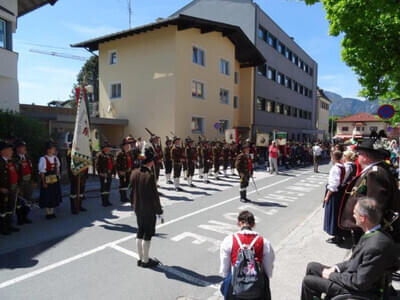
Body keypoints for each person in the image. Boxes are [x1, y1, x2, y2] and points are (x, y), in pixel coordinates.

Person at [301, 197, 398, 300]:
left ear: (363, 218)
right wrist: (336, 267)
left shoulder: (375, 246)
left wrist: (332, 276)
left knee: (308, 282)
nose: (353, 215)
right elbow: (354, 261)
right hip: (353, 276)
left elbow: (360, 282)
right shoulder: (373, 234)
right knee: (312, 267)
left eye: (355, 213)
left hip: (359, 290)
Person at [338, 139, 400, 243]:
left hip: (366, 229)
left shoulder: (375, 173)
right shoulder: (376, 169)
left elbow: (374, 207)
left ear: (365, 157)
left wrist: (368, 234)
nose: (357, 157)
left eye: (359, 154)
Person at [220, 210, 274, 300]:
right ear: (253, 224)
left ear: (239, 223)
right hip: (256, 285)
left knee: (227, 284)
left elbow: (224, 268)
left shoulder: (229, 240)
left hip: (236, 286)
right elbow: (268, 268)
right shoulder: (263, 241)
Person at [130, 146, 163, 268]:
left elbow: (131, 192)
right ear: (150, 161)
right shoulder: (149, 176)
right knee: (147, 234)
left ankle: (140, 258)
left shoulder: (134, 173)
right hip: (148, 209)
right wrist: (159, 211)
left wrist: (133, 205)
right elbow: (155, 197)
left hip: (138, 208)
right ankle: (145, 261)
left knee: (140, 231)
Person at [323, 150, 345, 244]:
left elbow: (334, 184)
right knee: (336, 214)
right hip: (339, 192)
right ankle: (338, 235)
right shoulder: (342, 166)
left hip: (334, 194)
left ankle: (337, 236)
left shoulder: (336, 168)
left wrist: (327, 196)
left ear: (333, 157)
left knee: (333, 214)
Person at [0, 141, 21, 234]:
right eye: (9, 150)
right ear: (3, 151)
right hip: (3, 189)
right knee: (2, 210)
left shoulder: (11, 161)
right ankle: (3, 228)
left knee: (10, 208)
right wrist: (0, 188)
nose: (12, 151)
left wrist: (17, 185)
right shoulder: (0, 162)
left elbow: (16, 173)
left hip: (12, 188)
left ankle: (9, 225)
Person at [38, 141, 62, 219]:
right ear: (48, 150)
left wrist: (58, 176)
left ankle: (52, 212)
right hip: (47, 180)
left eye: (54, 148)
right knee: (47, 196)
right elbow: (42, 172)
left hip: (54, 180)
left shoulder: (55, 158)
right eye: (52, 148)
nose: (54, 150)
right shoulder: (43, 159)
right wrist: (44, 182)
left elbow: (57, 168)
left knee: (53, 195)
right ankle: (48, 213)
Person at [13, 140, 34, 224]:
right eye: (22, 147)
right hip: (20, 182)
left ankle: (25, 216)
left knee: (28, 200)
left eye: (25, 147)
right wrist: (17, 185)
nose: (25, 149)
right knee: (20, 201)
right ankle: (19, 218)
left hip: (29, 181)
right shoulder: (15, 159)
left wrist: (34, 180)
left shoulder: (28, 157)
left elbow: (32, 169)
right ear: (18, 149)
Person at [66, 143, 88, 214]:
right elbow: (71, 161)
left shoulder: (82, 150)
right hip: (74, 176)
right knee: (74, 192)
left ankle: (79, 206)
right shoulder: (70, 152)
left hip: (82, 175)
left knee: (81, 192)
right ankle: (74, 208)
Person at [96, 141, 115, 207]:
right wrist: (100, 173)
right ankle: (104, 202)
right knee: (103, 188)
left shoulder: (111, 155)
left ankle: (107, 200)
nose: (109, 149)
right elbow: (97, 165)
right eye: (107, 147)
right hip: (103, 174)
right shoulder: (100, 155)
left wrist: (113, 173)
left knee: (108, 188)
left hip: (109, 174)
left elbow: (113, 164)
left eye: (109, 148)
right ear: (104, 148)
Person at [116, 138, 133, 203]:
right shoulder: (120, 154)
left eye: (128, 145)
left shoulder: (129, 153)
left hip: (128, 171)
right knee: (122, 185)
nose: (128, 146)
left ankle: (125, 197)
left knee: (126, 184)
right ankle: (122, 198)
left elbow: (131, 161)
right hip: (122, 172)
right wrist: (120, 171)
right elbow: (117, 163)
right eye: (126, 145)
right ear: (123, 146)